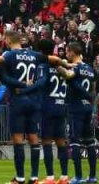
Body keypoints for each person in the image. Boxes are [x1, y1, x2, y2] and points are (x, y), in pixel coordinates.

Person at [0, 31, 50, 184]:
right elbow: (47, 66)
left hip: (18, 100)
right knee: (34, 138)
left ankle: (20, 178)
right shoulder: (34, 55)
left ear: (8, 40)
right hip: (34, 101)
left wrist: (20, 85)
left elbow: (3, 77)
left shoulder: (8, 55)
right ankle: (34, 177)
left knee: (18, 139)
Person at [57, 42, 98, 184]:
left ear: (72, 52)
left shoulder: (78, 68)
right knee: (90, 143)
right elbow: (93, 89)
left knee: (75, 142)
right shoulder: (90, 69)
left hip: (76, 107)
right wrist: (90, 103)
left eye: (67, 52)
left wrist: (57, 64)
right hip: (87, 107)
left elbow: (68, 75)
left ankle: (79, 177)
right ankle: (92, 177)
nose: (66, 55)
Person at [34, 39, 69, 184]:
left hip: (48, 106)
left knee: (47, 142)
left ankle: (50, 177)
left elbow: (41, 84)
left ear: (40, 51)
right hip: (61, 105)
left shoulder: (43, 65)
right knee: (61, 142)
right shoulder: (61, 66)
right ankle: (64, 176)